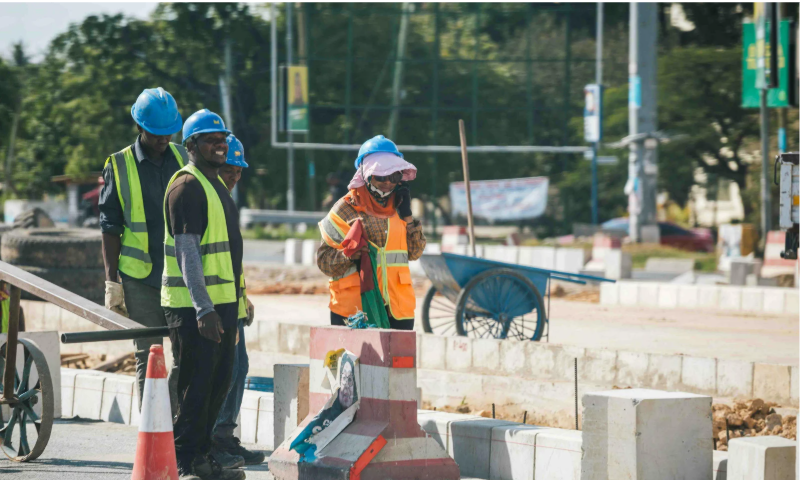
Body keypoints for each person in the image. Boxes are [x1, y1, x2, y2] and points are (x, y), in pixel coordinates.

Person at [162, 109, 245, 480]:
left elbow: (227, 257)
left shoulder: (216, 187)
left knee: (219, 381)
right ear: (191, 145)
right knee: (195, 386)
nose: (220, 144)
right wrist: (203, 308)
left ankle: (204, 457)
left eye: (222, 138)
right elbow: (188, 252)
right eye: (211, 139)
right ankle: (184, 461)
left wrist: (235, 310)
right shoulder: (187, 187)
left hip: (223, 306)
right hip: (195, 308)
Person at [99, 87, 186, 410]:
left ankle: (176, 430)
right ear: (140, 127)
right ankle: (151, 434)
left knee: (186, 354)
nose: (164, 139)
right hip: (140, 278)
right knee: (149, 356)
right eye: (157, 133)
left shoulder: (183, 158)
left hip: (179, 275)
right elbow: (110, 227)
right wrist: (112, 281)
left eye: (169, 132)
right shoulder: (119, 165)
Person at [316, 135, 426, 330]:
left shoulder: (401, 207)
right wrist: (348, 255)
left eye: (393, 176)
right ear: (365, 175)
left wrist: (408, 216)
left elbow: (415, 252)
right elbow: (324, 262)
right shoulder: (344, 210)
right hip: (354, 311)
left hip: (397, 309)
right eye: (380, 176)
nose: (388, 183)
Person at [210, 134, 265, 468]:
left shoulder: (225, 200)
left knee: (239, 367)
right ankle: (214, 439)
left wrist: (243, 298)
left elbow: (231, 262)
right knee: (222, 371)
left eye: (239, 171)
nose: (234, 176)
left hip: (231, 302)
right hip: (211, 305)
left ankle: (224, 436)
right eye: (230, 169)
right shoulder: (208, 198)